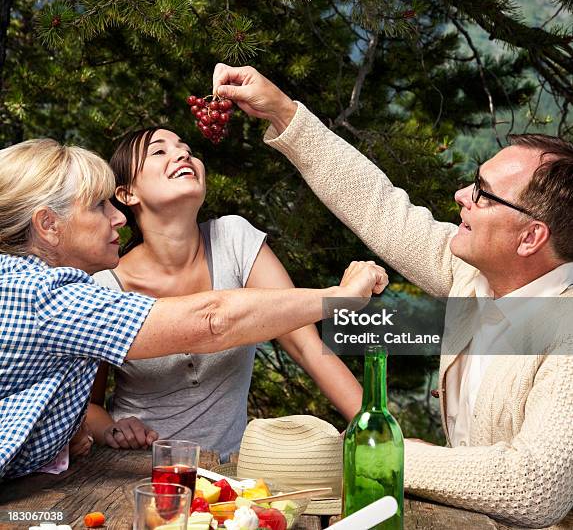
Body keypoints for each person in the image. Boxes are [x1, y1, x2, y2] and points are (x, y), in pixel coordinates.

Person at [211, 64, 573, 528]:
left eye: (483, 195)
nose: (462, 195)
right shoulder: (474, 275)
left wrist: (386, 453)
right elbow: (379, 207)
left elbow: (534, 486)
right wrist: (282, 112)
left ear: (530, 238)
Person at [0, 138, 387, 479]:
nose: (116, 215)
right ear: (48, 224)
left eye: (187, 148)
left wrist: (67, 440)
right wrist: (340, 295)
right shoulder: (52, 294)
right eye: (100, 206)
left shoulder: (30, 286)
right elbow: (212, 321)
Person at [86, 127, 363, 458]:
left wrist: (379, 429)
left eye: (185, 147)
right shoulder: (105, 285)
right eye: (159, 151)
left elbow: (306, 345)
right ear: (128, 193)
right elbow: (87, 405)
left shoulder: (234, 239)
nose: (182, 154)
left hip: (230, 477)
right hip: (134, 474)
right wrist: (112, 429)